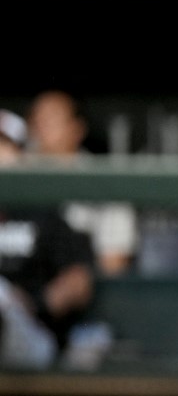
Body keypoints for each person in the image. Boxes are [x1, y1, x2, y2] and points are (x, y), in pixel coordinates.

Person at [0, 109, 96, 371]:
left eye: (3, 144)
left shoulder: (42, 212)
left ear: (21, 153)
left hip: (29, 334)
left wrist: (33, 304)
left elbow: (79, 280)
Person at [24, 89, 139, 277]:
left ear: (77, 129)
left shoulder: (103, 182)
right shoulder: (15, 171)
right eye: (35, 120)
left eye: (51, 119)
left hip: (79, 289)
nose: (40, 127)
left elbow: (114, 264)